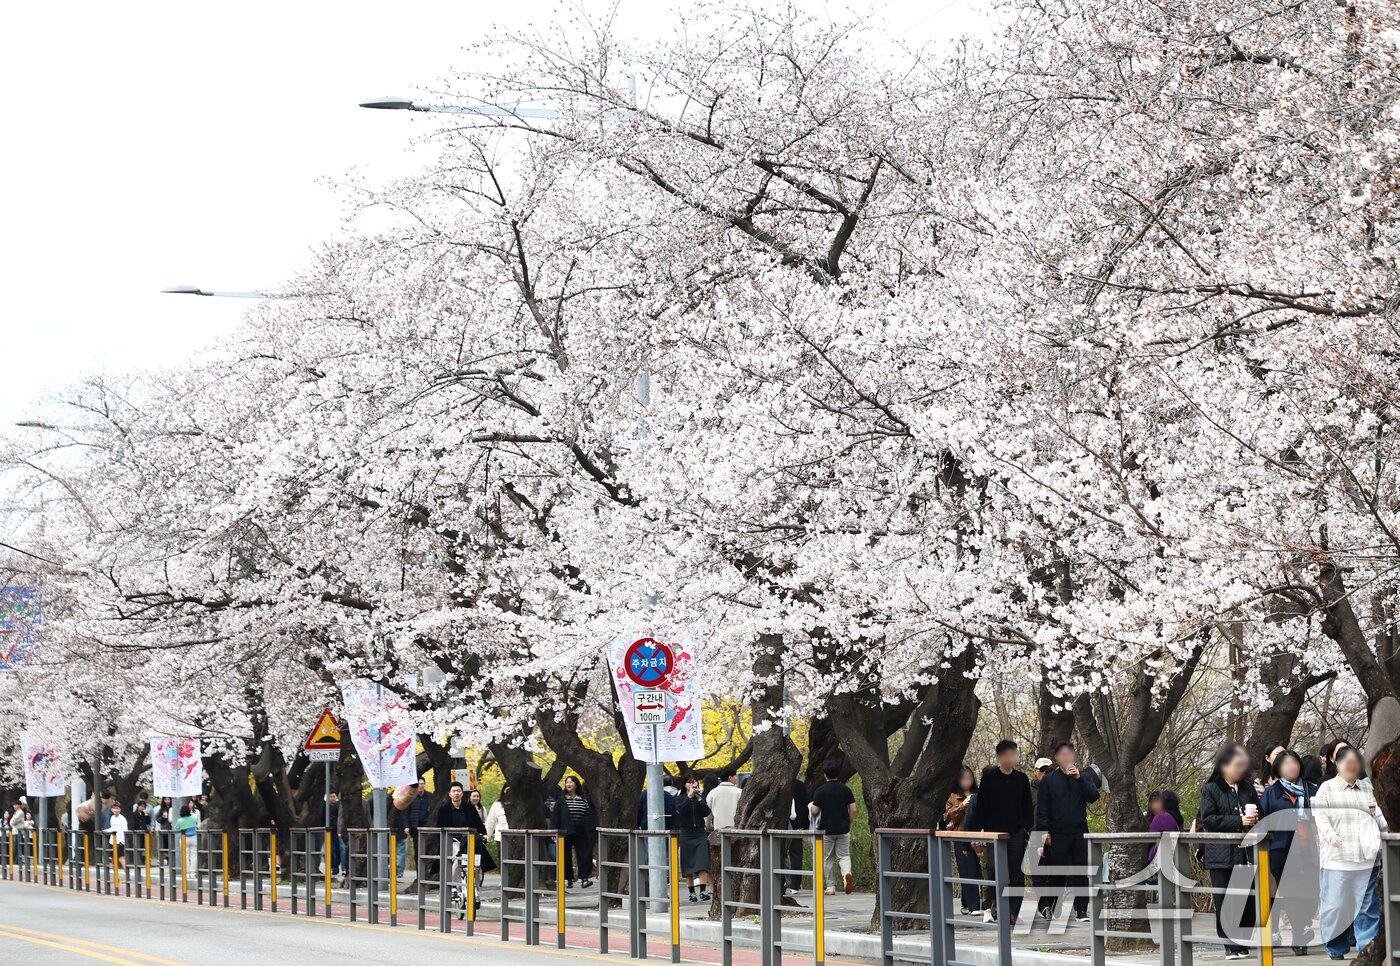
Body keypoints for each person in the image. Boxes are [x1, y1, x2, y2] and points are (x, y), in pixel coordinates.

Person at [1313, 744, 1384, 960]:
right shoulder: (1326, 788)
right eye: (1347, 763)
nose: (1352, 767)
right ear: (1337, 763)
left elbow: (1379, 815)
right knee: (1335, 906)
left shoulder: (1368, 788)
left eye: (1355, 763)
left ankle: (1366, 948)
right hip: (1338, 859)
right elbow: (1321, 817)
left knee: (1367, 908)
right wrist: (1330, 835)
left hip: (1367, 859)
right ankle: (1335, 947)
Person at [1199, 743, 1261, 961]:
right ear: (1224, 765)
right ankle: (1229, 944)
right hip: (1221, 854)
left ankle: (1242, 940)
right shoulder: (1211, 789)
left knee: (1247, 899)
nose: (1241, 770)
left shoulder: (1247, 788)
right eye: (1237, 765)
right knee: (1225, 899)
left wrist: (1254, 819)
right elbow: (1209, 819)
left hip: (1245, 852)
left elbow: (1259, 812)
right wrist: (1238, 821)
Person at [1258, 749, 1318, 955]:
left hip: (1308, 849)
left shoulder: (1312, 790)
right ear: (1277, 769)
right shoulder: (1271, 793)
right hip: (1282, 849)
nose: (1291, 767)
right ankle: (1298, 936)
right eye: (1285, 764)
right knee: (1292, 893)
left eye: (1294, 762)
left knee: (1308, 894)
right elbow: (1262, 821)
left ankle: (1300, 932)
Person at [968, 739, 1034, 923]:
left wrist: (1025, 827)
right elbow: (981, 807)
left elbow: (1027, 806)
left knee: (1016, 873)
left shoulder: (1021, 779)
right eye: (1006, 755)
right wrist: (973, 833)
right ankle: (998, 907)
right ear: (999, 757)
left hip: (1016, 832)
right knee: (996, 871)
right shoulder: (989, 779)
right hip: (994, 833)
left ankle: (1013, 912)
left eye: (1013, 755)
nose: (1009, 758)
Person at [1035, 742, 1099, 922]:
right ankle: (1054, 907)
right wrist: (1043, 831)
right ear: (1056, 758)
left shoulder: (1084, 777)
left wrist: (1079, 778)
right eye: (1063, 755)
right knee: (1056, 872)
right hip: (1056, 832)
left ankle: (1081, 910)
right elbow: (1043, 807)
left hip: (1079, 831)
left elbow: (1093, 797)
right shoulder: (1048, 780)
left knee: (1080, 872)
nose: (1066, 758)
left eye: (1070, 754)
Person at [809, 760, 857, 896]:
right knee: (844, 856)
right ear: (838, 774)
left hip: (826, 830)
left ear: (825, 775)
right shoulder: (845, 789)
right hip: (843, 828)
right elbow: (853, 809)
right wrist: (848, 822)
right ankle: (847, 874)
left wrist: (813, 807)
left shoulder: (821, 791)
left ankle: (830, 887)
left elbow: (814, 811)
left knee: (827, 858)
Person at [944, 765, 982, 915]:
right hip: (961, 836)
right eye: (963, 778)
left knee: (977, 870)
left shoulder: (978, 794)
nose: (967, 781)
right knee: (967, 869)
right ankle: (974, 906)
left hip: (978, 836)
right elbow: (949, 816)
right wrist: (962, 805)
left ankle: (966, 903)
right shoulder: (953, 796)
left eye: (969, 778)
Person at [553, 776, 597, 889]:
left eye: (571, 782)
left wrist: (584, 824)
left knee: (583, 855)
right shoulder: (561, 800)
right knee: (566, 856)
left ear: (576, 785)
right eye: (567, 782)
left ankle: (584, 878)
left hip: (580, 831)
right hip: (565, 831)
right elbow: (556, 817)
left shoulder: (582, 799)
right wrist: (554, 832)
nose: (568, 784)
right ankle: (569, 879)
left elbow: (587, 814)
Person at [676, 775, 712, 902]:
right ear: (685, 784)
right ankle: (691, 892)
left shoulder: (699, 798)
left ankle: (702, 891)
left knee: (702, 862)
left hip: (699, 833)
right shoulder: (680, 798)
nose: (692, 785)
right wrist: (689, 797)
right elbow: (680, 810)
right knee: (688, 863)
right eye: (689, 783)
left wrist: (700, 799)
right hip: (686, 832)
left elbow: (706, 812)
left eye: (694, 782)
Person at [390, 780, 429, 880]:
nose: (420, 786)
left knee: (427, 850)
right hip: (415, 827)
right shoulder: (411, 796)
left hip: (427, 827)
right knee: (417, 850)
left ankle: (426, 872)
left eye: (422, 784)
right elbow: (406, 813)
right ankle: (419, 873)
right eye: (419, 784)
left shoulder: (430, 796)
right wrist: (406, 826)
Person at [784, 777, 810, 895]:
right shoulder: (800, 785)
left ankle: (783, 882)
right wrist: (805, 824)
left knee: (781, 854)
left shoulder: (779, 783)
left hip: (782, 825)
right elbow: (804, 804)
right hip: (797, 825)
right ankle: (795, 885)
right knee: (796, 855)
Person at [1146, 790, 1184, 864]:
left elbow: (1148, 837)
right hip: (1175, 858)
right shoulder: (1177, 818)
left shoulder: (1161, 817)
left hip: (1159, 860)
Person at [173, 804, 199, 879]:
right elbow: (197, 824)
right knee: (194, 855)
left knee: (185, 855)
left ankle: (187, 872)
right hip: (194, 837)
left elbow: (177, 828)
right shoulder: (194, 818)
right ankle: (193, 872)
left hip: (184, 838)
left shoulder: (180, 820)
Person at [105, 800, 129, 868]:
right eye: (114, 808)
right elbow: (113, 828)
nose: (115, 810)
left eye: (117, 808)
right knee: (113, 859)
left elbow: (125, 830)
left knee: (121, 858)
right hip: (112, 841)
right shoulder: (112, 818)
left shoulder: (122, 819)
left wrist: (122, 841)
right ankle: (116, 876)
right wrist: (106, 831)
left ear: (120, 809)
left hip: (119, 841)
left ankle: (127, 875)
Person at [326, 791, 345, 877]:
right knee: (332, 849)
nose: (332, 798)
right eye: (331, 797)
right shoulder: (326, 806)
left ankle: (339, 867)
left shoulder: (338, 805)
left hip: (338, 831)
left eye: (334, 796)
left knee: (339, 849)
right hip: (330, 831)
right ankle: (334, 867)